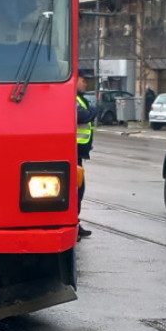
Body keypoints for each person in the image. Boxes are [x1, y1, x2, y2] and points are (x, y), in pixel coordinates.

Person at [76, 69, 98, 241]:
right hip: (72, 152)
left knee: (78, 190)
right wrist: (92, 109)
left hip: (78, 152)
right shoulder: (71, 98)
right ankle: (74, 225)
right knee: (77, 190)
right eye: (83, 81)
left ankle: (75, 224)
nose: (85, 84)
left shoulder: (80, 99)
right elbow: (83, 115)